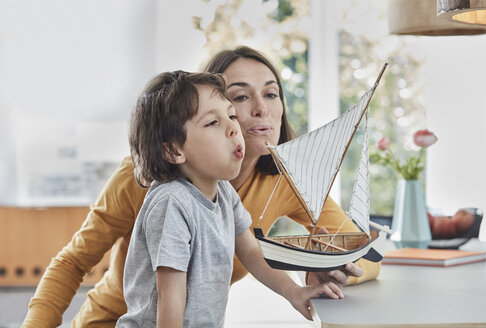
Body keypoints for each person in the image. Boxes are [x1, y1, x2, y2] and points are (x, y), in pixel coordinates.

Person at [22, 46, 380, 328]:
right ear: (175, 145)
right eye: (239, 97)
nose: (259, 110)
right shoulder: (150, 184)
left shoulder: (271, 183)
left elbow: (361, 251)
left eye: (271, 94)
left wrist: (325, 274)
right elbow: (82, 266)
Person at [116, 70, 342, 327]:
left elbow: (251, 252)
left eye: (231, 115)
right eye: (213, 122)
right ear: (173, 149)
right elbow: (171, 298)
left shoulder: (222, 190)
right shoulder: (171, 203)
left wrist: (294, 292)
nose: (233, 128)